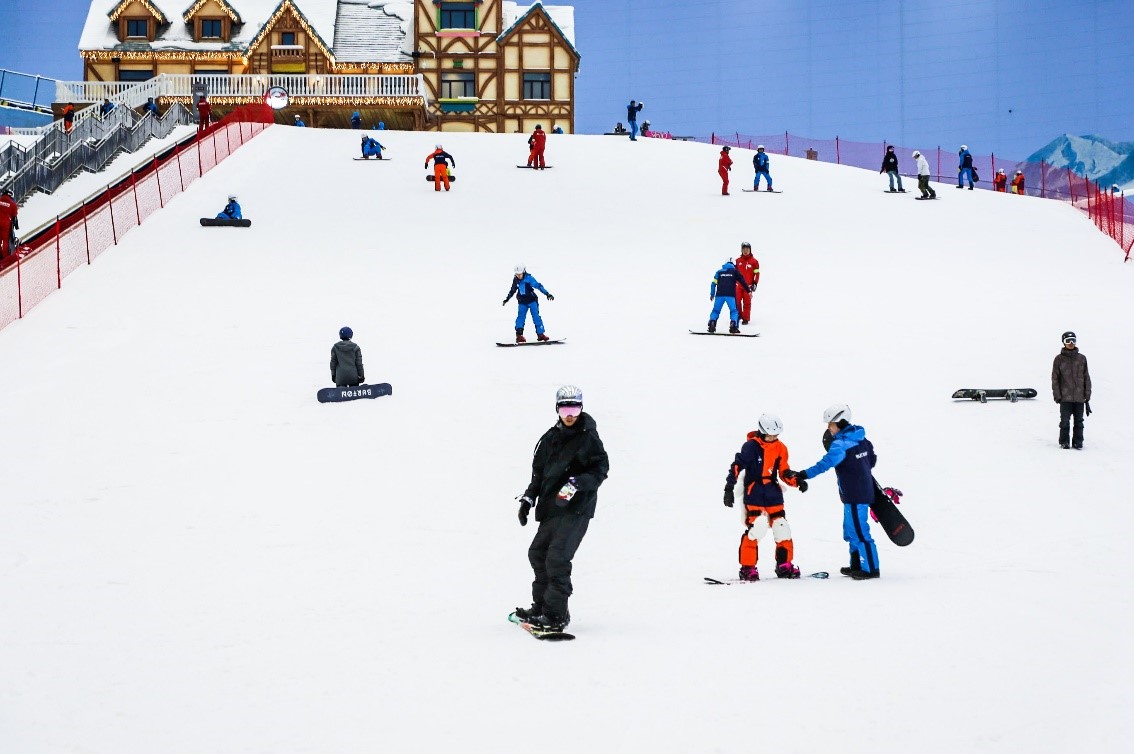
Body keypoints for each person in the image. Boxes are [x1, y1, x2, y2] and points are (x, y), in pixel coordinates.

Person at [512, 385, 609, 631]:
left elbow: (601, 469)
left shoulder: (588, 438)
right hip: (552, 508)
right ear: (557, 409)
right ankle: (541, 607)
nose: (570, 414)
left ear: (581, 408)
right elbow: (538, 474)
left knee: (557, 558)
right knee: (538, 553)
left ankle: (556, 615)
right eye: (565, 409)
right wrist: (528, 499)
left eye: (574, 408)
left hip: (576, 509)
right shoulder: (550, 438)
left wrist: (576, 483)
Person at [782, 404, 880, 580]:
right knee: (851, 530)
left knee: (859, 531)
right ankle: (856, 564)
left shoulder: (840, 445)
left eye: (831, 424)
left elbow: (824, 464)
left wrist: (803, 474)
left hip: (856, 494)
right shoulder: (862, 439)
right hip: (857, 493)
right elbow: (871, 460)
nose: (828, 428)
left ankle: (871, 568)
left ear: (841, 423)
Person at [723, 413, 807, 581]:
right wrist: (729, 488)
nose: (773, 438)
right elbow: (737, 465)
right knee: (758, 527)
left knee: (782, 527)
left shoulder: (780, 447)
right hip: (754, 492)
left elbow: (784, 471)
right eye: (770, 435)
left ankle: (784, 565)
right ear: (762, 432)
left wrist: (797, 481)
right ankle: (747, 568)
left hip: (772, 493)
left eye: (776, 435)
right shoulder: (751, 447)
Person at [1052, 331, 1091, 450]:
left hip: (1079, 397)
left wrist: (1087, 395)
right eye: (1068, 341)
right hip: (1065, 397)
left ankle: (1078, 442)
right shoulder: (1059, 359)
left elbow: (1086, 377)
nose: (1071, 343)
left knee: (1079, 422)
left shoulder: (1082, 358)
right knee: (1064, 421)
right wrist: (1057, 395)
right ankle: (1064, 441)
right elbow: (1055, 379)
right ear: (1063, 342)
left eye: (1073, 340)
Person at [502, 264, 554, 342]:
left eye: (520, 274)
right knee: (520, 317)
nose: (519, 276)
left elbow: (538, 286)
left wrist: (547, 294)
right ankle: (519, 335)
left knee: (536, 317)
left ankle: (541, 334)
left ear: (524, 272)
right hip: (522, 302)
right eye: (517, 274)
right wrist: (507, 299)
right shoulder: (516, 280)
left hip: (532, 301)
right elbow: (512, 290)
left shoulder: (529, 278)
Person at [707, 259, 750, 334]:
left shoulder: (719, 272)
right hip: (730, 295)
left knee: (716, 310)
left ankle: (712, 323)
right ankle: (733, 325)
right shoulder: (735, 271)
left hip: (719, 294)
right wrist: (748, 291)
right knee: (734, 311)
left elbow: (713, 283)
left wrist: (712, 294)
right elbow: (742, 281)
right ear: (733, 265)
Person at [734, 242, 760, 325]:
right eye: (744, 249)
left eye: (747, 249)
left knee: (747, 303)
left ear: (750, 250)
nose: (746, 251)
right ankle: (738, 315)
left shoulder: (754, 261)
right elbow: (733, 273)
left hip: (748, 287)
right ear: (741, 250)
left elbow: (757, 273)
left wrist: (755, 283)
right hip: (738, 286)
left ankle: (745, 318)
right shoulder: (737, 261)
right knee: (737, 301)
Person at [0, 187, 18, 259]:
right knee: (5, 241)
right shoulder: (12, 203)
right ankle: (5, 257)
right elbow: (14, 215)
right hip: (6, 224)